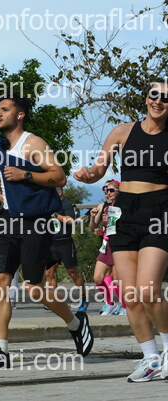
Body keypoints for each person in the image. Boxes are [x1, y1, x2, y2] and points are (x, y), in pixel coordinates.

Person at [0, 97, 93, 369]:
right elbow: (12, 184)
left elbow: (59, 176)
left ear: (20, 115)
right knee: (0, 281)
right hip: (6, 220)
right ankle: (1, 350)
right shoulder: (0, 147)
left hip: (34, 223)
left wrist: (26, 175)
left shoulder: (33, 144)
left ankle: (75, 323)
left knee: (34, 288)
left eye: (5, 110)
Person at [74, 82, 168, 382]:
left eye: (166, 97)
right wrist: (88, 174)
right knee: (130, 295)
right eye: (154, 95)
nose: (159, 101)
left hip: (159, 210)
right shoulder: (122, 132)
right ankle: (150, 359)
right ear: (146, 99)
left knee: (148, 289)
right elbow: (99, 170)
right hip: (124, 212)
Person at [44, 186, 88, 312]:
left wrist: (56, 215)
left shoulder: (66, 204)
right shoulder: (48, 205)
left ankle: (83, 299)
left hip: (65, 243)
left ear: (59, 191)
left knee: (72, 272)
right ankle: (55, 301)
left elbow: (71, 221)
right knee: (49, 273)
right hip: (51, 243)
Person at [90, 180, 125, 316]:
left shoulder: (124, 206)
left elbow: (127, 228)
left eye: (111, 190)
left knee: (116, 280)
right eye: (105, 189)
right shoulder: (105, 207)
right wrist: (98, 227)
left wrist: (113, 221)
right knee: (98, 278)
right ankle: (110, 304)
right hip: (106, 246)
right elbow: (94, 228)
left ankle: (125, 306)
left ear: (118, 191)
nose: (107, 193)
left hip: (119, 245)